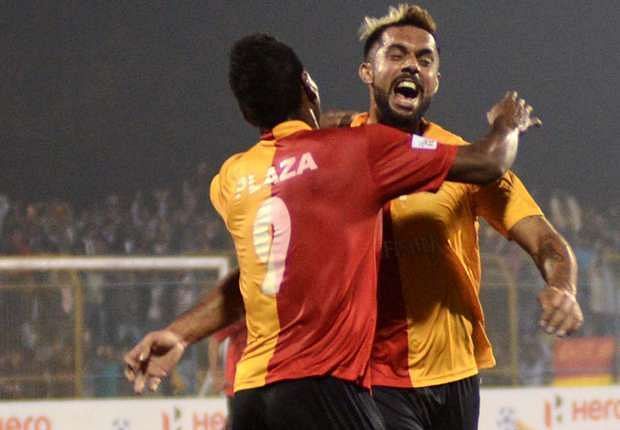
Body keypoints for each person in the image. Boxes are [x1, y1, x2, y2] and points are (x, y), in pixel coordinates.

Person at [124, 33, 539, 429]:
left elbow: (252, 283)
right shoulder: (359, 150)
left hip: (252, 395)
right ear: (308, 85)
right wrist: (507, 124)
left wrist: (179, 333)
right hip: (323, 386)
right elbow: (488, 162)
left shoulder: (231, 179)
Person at [339, 5, 582, 430]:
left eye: (424, 60)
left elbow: (546, 241)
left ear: (435, 79)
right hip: (374, 377)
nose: (412, 65)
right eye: (396, 55)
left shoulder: (464, 163)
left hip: (456, 378)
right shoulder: (335, 149)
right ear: (367, 71)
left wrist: (563, 286)